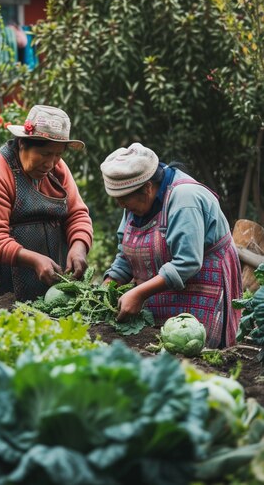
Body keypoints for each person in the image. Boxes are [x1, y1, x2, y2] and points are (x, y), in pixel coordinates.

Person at [100, 142, 243, 348]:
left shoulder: (185, 198)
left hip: (203, 286)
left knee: (198, 353)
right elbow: (125, 254)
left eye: (124, 200)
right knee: (162, 350)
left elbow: (187, 262)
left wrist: (139, 293)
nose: (122, 206)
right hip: (164, 292)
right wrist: (106, 288)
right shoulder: (134, 201)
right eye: (118, 201)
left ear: (147, 188)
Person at [0, 105, 93, 302]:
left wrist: (79, 246)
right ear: (23, 144)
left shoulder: (58, 170)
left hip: (45, 264)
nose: (51, 163)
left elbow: (77, 214)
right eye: (45, 154)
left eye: (58, 155)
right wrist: (35, 259)